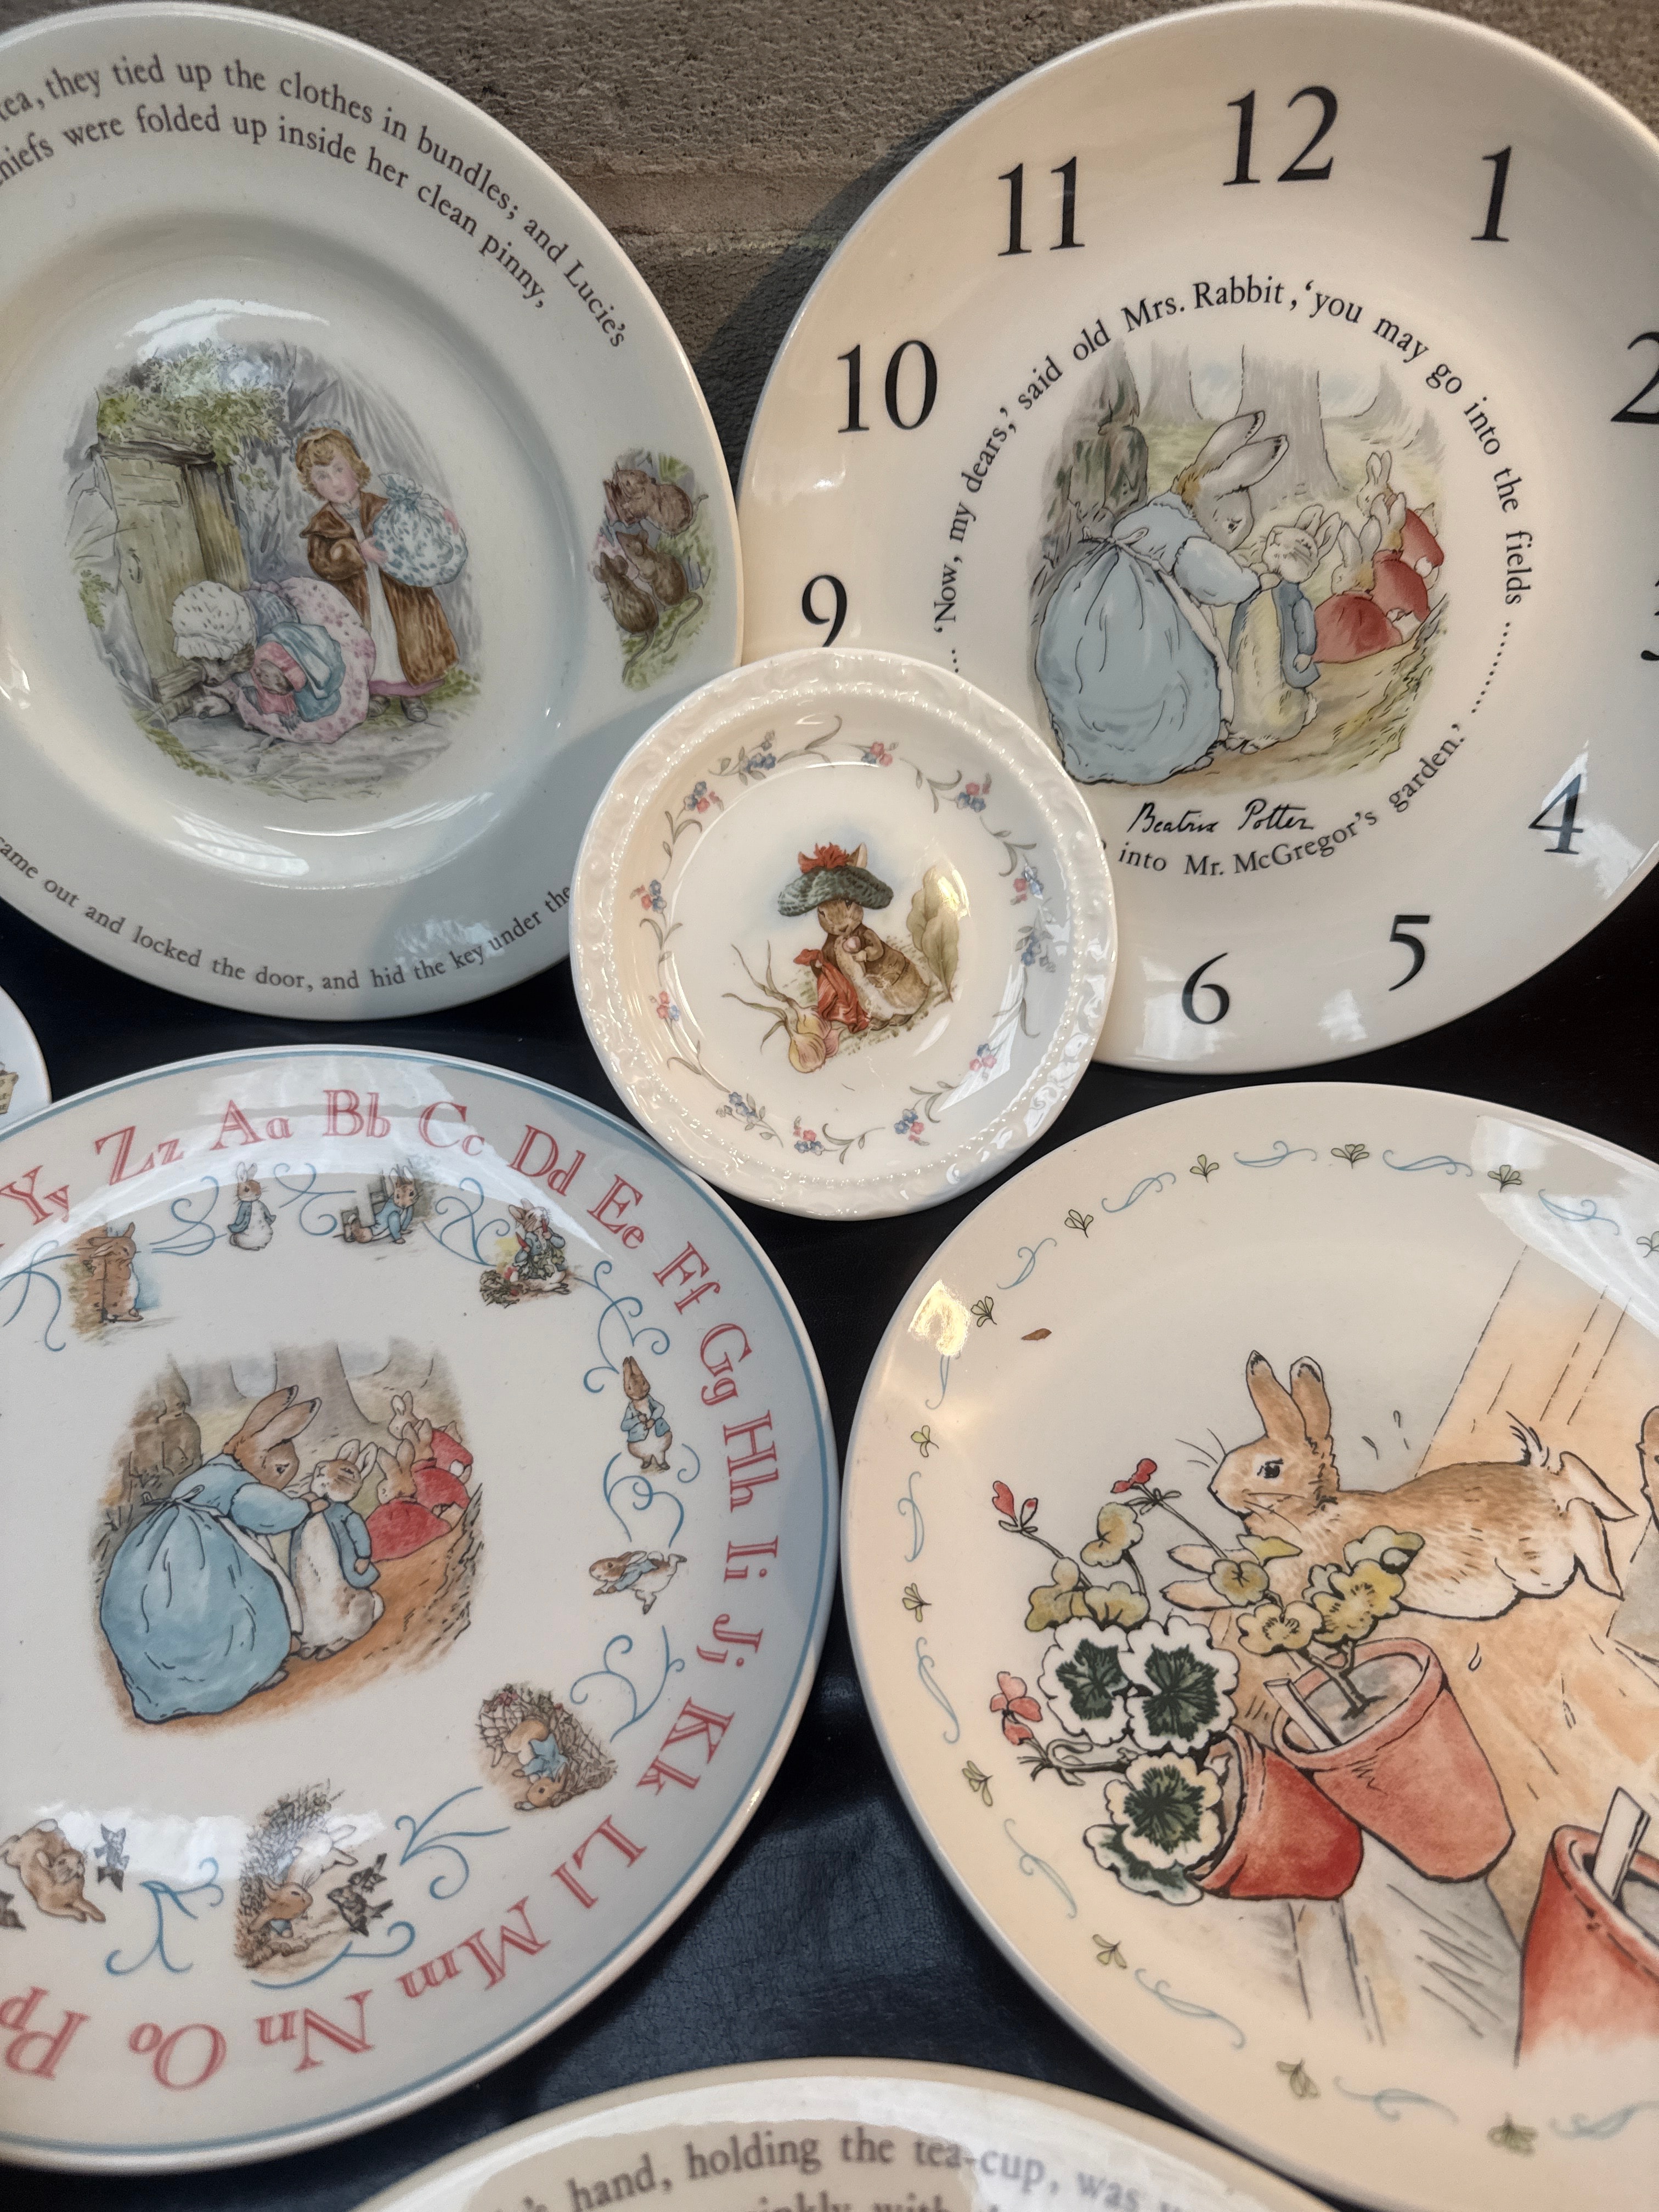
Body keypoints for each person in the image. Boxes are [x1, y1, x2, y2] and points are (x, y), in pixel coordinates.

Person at [295, 426, 458, 723]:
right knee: (371, 643)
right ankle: (377, 694)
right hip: (360, 599)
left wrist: (438, 519)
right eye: (322, 476)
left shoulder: (384, 507)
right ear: (313, 485)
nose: (335, 482)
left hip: (399, 592)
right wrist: (356, 552)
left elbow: (415, 526)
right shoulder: (322, 525)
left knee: (404, 640)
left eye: (339, 469)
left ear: (355, 468)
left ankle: (412, 696)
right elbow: (322, 562)